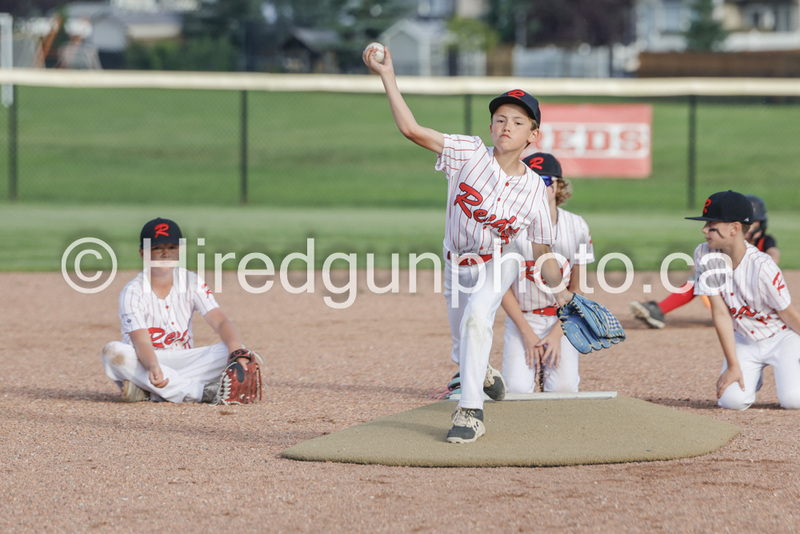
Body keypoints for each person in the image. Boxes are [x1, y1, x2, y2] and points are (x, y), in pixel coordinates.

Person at [363, 46, 572, 443]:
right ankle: (483, 372)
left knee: (479, 316)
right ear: (491, 127)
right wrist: (387, 76)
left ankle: (471, 410)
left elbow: (542, 252)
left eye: (517, 121)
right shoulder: (467, 153)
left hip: (501, 259)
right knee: (464, 345)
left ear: (533, 135)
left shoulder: (534, 191)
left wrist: (561, 292)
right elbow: (412, 130)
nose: (506, 126)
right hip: (456, 263)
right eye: (499, 119)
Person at [101, 217, 257, 403]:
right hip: (146, 361)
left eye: (171, 247)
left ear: (180, 250)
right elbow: (141, 341)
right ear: (143, 253)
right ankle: (202, 393)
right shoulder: (132, 292)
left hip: (185, 360)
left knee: (233, 348)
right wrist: (152, 366)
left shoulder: (192, 281)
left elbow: (220, 320)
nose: (165, 253)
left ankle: (149, 390)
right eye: (157, 248)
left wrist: (236, 351)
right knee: (113, 353)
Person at [688, 190, 800, 410]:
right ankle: (751, 374)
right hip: (745, 339)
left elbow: (789, 314)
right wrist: (733, 364)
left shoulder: (763, 266)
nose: (704, 230)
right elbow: (720, 312)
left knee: (794, 400)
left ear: (735, 228)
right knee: (731, 401)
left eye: (712, 225)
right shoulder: (703, 254)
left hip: (782, 338)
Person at [501, 153, 594, 394]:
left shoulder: (577, 226)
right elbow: (501, 289)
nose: (537, 186)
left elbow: (577, 289)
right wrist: (526, 333)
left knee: (564, 390)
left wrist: (556, 334)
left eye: (544, 180)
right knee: (516, 390)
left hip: (562, 320)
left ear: (558, 186)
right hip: (523, 317)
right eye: (530, 180)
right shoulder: (509, 227)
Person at [630, 194, 780, 329]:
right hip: (730, 292)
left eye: (754, 222)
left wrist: (761, 267)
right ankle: (658, 310)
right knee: (697, 279)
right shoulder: (725, 243)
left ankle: (749, 316)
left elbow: (774, 253)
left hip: (752, 297)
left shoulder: (764, 241)